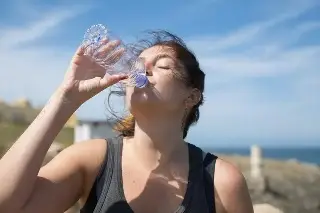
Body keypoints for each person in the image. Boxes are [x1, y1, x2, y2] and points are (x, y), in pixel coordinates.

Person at [0, 30, 253, 213]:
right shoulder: (92, 160)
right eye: (138, 65)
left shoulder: (222, 180)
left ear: (192, 96)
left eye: (163, 66)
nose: (142, 70)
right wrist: (66, 98)